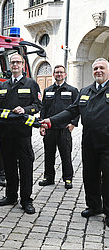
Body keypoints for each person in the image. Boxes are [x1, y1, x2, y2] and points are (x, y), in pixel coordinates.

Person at [41, 58, 109, 226]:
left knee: (108, 178)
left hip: (107, 143)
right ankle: (94, 206)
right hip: (89, 141)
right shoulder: (86, 91)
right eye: (95, 68)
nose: (98, 71)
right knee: (90, 175)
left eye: (102, 68)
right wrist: (50, 120)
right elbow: (71, 111)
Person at [0, 54, 42, 214]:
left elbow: (38, 105)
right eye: (12, 62)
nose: (15, 65)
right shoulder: (3, 86)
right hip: (6, 134)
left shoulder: (31, 84)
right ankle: (10, 196)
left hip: (22, 134)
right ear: (9, 65)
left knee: (25, 168)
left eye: (17, 62)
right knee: (8, 167)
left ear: (23, 65)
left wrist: (26, 110)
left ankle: (26, 200)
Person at [38, 65, 79, 189]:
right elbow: (43, 109)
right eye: (56, 72)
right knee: (48, 154)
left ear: (65, 74)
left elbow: (77, 109)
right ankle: (48, 177)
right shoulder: (48, 90)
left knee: (65, 154)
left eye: (61, 72)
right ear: (53, 75)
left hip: (64, 129)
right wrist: (42, 125)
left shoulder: (72, 90)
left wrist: (73, 123)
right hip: (50, 128)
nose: (59, 74)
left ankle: (68, 179)